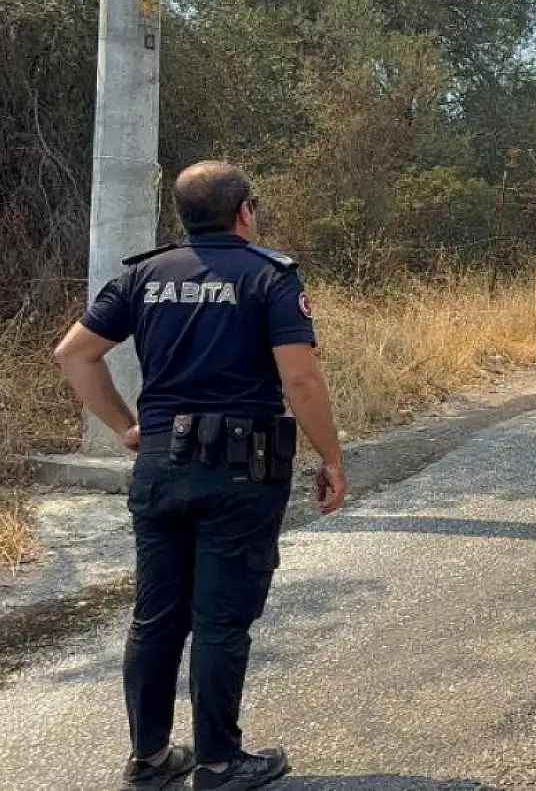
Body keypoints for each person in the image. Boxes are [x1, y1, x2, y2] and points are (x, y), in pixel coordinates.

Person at [54, 161, 349, 791]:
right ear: (244, 212)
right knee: (219, 620)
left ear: (183, 216)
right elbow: (300, 377)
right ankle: (218, 763)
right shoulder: (269, 276)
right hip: (241, 472)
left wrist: (125, 427)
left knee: (156, 617)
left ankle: (151, 758)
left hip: (160, 465)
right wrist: (331, 456)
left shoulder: (143, 274)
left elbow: (74, 353)